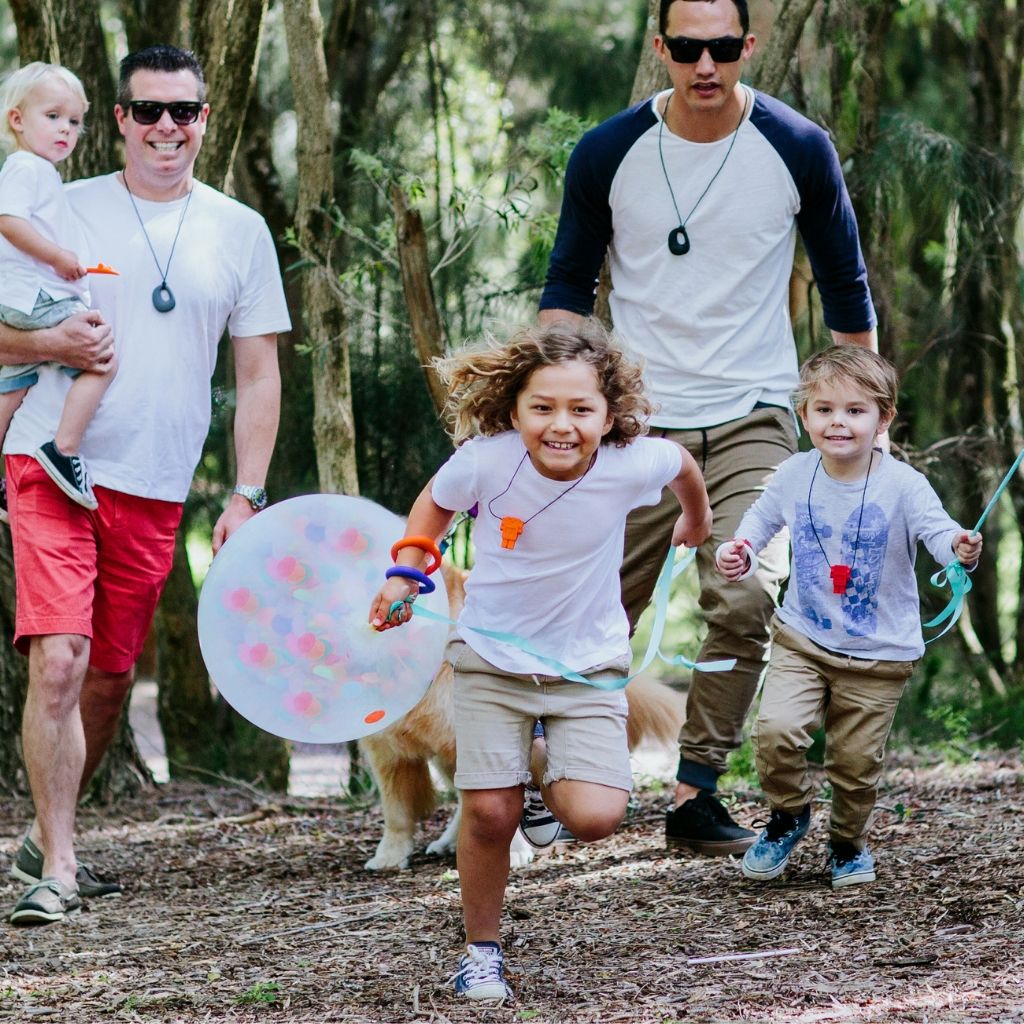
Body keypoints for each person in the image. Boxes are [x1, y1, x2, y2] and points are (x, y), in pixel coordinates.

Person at [538, 0, 878, 854]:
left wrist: (865, 418)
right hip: (635, 423)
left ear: (747, 47)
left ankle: (695, 793)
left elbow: (845, 286)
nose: (705, 65)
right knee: (587, 603)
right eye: (686, 48)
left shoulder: (795, 146)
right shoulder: (608, 151)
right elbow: (567, 291)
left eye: (722, 47)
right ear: (660, 48)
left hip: (754, 411)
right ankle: (548, 772)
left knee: (743, 593)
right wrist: (550, 418)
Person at [1, 44, 290, 926]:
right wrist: (51, 347)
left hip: (157, 485)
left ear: (204, 120)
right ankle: (57, 865)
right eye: (148, 110)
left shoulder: (239, 228)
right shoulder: (61, 204)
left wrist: (246, 493)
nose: (168, 126)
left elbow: (260, 376)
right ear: (119, 121)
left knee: (109, 679)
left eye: (185, 112)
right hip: (52, 459)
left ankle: (51, 835)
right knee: (60, 657)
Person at [368, 319, 711, 1001]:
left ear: (610, 414)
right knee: (491, 813)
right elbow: (432, 508)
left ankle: (547, 771)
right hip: (493, 659)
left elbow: (683, 469)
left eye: (581, 409)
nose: (562, 425)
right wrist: (406, 574)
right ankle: (482, 952)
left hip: (586, 667)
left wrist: (695, 522)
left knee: (595, 818)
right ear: (514, 409)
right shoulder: (488, 459)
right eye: (543, 407)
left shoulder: (631, 461)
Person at [716, 346, 982, 887]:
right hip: (803, 638)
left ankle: (847, 843)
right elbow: (759, 521)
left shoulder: (903, 485)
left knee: (855, 765)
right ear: (805, 415)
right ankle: (789, 814)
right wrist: (739, 548)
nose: (839, 421)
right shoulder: (793, 473)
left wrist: (958, 546)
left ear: (883, 419)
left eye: (855, 410)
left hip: (880, 655)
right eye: (824, 409)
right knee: (775, 731)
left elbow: (937, 531)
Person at [0, 62, 114, 517]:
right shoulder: (27, 168)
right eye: (53, 117)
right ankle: (63, 451)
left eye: (74, 121)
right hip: (36, 296)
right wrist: (58, 258)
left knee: (11, 387)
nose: (66, 129)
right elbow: (7, 221)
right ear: (17, 120)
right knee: (101, 356)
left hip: (16, 298)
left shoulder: (35, 170)